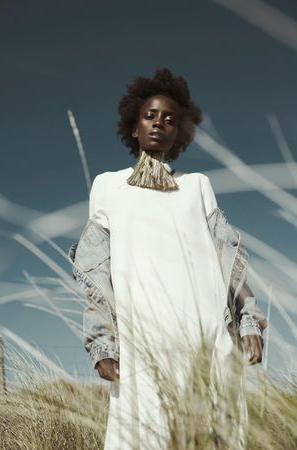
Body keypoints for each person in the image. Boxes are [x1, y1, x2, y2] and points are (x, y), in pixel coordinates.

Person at [69, 67, 267, 449]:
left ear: (179, 134)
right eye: (150, 115)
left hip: (206, 338)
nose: (159, 122)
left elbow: (230, 258)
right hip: (141, 340)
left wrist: (249, 322)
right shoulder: (108, 185)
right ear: (134, 127)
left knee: (215, 435)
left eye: (169, 119)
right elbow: (95, 270)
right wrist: (101, 342)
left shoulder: (197, 186)